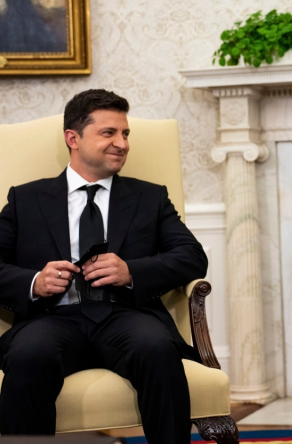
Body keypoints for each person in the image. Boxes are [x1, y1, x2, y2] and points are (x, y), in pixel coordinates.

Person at [0, 89, 207, 443]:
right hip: (52, 318)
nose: (122, 144)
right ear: (73, 138)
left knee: (156, 348)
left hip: (127, 316)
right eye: (108, 133)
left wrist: (132, 272)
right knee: (29, 354)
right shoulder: (26, 199)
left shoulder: (150, 197)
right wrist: (34, 282)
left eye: (125, 133)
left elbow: (192, 256)